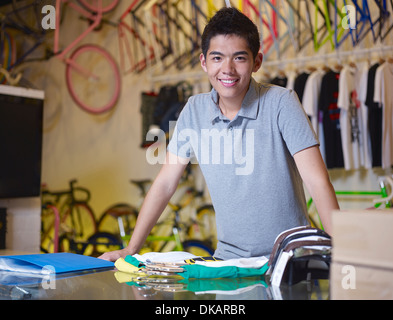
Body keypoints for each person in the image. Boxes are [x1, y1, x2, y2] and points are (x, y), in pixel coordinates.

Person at [99, 7, 339, 262]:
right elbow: (165, 184)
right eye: (217, 58)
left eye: (239, 58)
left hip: (289, 260)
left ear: (256, 61)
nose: (227, 69)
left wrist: (342, 248)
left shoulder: (281, 102)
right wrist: (131, 248)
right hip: (229, 262)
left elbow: (317, 181)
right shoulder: (194, 110)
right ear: (204, 62)